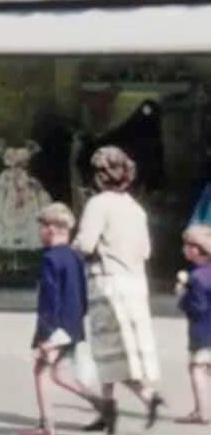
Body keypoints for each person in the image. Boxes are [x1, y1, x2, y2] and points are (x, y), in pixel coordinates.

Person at [73, 146, 165, 431]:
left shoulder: (98, 204)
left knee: (107, 349)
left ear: (101, 175)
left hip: (107, 281)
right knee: (122, 349)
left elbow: (85, 244)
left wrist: (72, 248)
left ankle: (146, 397)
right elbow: (146, 251)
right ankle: (107, 411)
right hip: (135, 283)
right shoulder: (135, 208)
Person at [22, 203, 115, 435]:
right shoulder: (75, 257)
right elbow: (83, 293)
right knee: (58, 374)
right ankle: (101, 404)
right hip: (73, 325)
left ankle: (47, 425)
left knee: (41, 371)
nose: (40, 231)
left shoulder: (50, 259)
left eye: (42, 226)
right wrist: (76, 324)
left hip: (54, 328)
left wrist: (46, 334)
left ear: (52, 228)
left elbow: (49, 299)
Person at [174, 225, 211, 425]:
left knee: (196, 368)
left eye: (187, 245)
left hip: (203, 332)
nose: (184, 249)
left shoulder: (197, 277)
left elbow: (197, 308)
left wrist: (182, 292)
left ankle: (202, 412)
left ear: (197, 249)